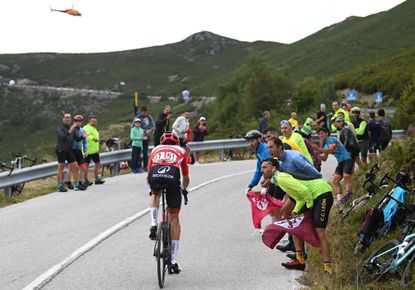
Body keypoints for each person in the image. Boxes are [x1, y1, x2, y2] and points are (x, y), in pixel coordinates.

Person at [262, 158, 333, 274]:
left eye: (264, 167)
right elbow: (299, 198)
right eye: (261, 167)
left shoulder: (281, 178)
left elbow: (305, 191)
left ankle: (327, 267)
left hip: (322, 193)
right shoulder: (278, 180)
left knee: (320, 232)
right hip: (311, 196)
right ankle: (299, 259)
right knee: (293, 222)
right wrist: (295, 212)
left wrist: (309, 206)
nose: (262, 170)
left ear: (273, 168)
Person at [266, 137, 322, 253]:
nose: (269, 150)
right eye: (268, 147)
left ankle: (302, 251)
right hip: (298, 190)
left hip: (308, 189)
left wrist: (313, 190)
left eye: (271, 147)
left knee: (295, 216)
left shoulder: (295, 158)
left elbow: (316, 174)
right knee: (285, 211)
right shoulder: (279, 160)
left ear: (280, 147)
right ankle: (293, 244)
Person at [147, 132, 189, 274]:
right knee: (175, 218)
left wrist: (153, 190)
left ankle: (153, 223)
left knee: (154, 193)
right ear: (176, 143)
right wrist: (183, 189)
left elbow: (148, 174)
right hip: (172, 175)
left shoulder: (155, 149)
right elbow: (185, 176)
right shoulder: (181, 150)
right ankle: (174, 260)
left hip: (155, 174)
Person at [316, 127, 353, 207]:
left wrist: (319, 149)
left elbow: (330, 150)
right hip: (340, 162)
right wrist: (316, 154)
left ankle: (349, 195)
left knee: (346, 176)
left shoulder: (332, 139)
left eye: (322, 133)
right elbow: (325, 158)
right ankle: (340, 200)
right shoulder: (325, 145)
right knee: (335, 181)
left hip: (347, 159)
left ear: (326, 133)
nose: (320, 136)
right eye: (319, 134)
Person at [55, 113, 86, 192]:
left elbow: (77, 139)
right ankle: (59, 186)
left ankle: (76, 185)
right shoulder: (60, 128)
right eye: (66, 118)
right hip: (61, 149)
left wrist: (83, 136)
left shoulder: (73, 128)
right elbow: (62, 137)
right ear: (63, 119)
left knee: (76, 167)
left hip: (69, 150)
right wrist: (70, 130)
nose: (68, 119)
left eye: (69, 118)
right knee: (60, 168)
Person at [65, 115, 89, 189]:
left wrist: (85, 150)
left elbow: (85, 142)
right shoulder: (72, 129)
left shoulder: (82, 130)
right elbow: (77, 139)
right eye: (77, 121)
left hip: (78, 150)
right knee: (71, 167)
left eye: (80, 121)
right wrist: (83, 136)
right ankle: (68, 182)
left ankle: (80, 182)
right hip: (71, 150)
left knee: (83, 167)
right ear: (74, 122)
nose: (78, 123)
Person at [83, 116, 105, 185]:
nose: (94, 122)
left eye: (95, 121)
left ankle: (97, 179)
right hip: (87, 150)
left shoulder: (94, 128)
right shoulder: (86, 127)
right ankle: (85, 180)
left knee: (97, 164)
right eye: (93, 121)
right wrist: (92, 138)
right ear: (89, 121)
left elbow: (96, 140)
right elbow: (85, 135)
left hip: (95, 151)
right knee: (86, 165)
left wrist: (97, 149)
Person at [137, 106, 155, 171]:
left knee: (145, 151)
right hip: (140, 136)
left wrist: (151, 129)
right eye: (143, 112)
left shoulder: (149, 117)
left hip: (147, 136)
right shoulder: (138, 117)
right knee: (138, 151)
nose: (144, 114)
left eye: (145, 112)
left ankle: (145, 166)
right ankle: (138, 166)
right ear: (141, 111)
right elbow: (134, 126)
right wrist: (143, 131)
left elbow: (153, 125)